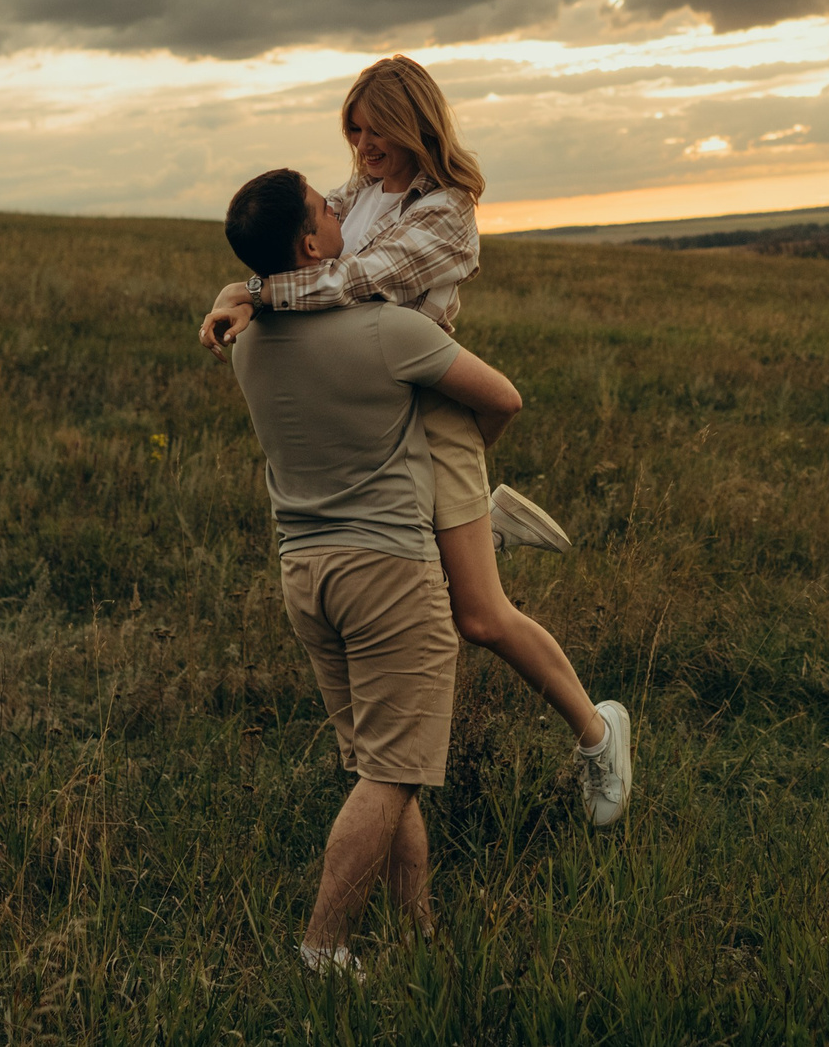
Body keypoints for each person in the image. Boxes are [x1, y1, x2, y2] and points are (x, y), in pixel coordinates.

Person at [200, 58, 633, 827]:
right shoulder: (360, 189)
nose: (364, 145)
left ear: (415, 124)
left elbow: (353, 282)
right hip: (369, 400)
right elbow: (299, 248)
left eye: (377, 130)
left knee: (479, 616)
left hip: (429, 403)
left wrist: (253, 293)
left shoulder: (446, 211)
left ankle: (599, 735)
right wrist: (241, 289)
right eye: (354, 129)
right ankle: (478, 531)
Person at [219, 168, 585, 973]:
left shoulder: (246, 341)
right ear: (310, 245)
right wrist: (467, 477)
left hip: (305, 574)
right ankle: (324, 945)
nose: (337, 207)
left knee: (382, 767)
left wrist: (237, 295)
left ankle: (417, 930)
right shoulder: (389, 331)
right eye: (323, 207)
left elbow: (253, 294)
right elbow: (504, 398)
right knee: (391, 774)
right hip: (389, 574)